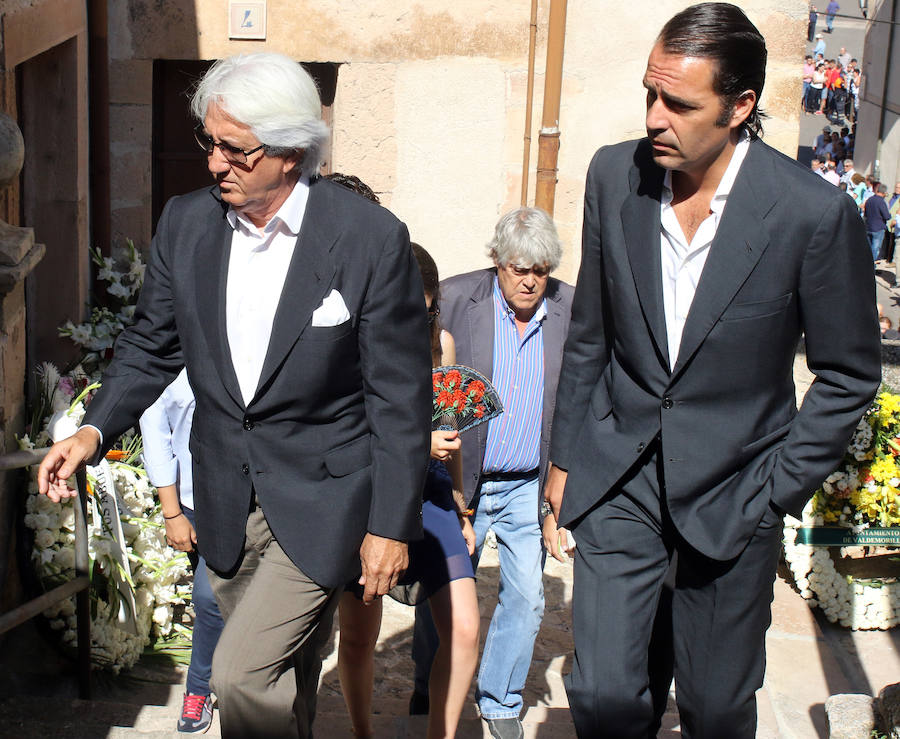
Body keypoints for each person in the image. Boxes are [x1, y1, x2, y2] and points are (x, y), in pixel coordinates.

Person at [37, 52, 432, 738]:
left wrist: (391, 525)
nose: (215, 163)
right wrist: (92, 431)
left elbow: (401, 396)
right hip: (222, 495)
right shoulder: (186, 225)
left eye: (235, 149)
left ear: (291, 151)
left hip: (324, 499)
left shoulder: (368, 238)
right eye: (209, 142)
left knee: (239, 677)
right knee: (287, 687)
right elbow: (149, 346)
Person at [543, 4, 880, 738]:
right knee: (602, 697)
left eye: (679, 103)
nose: (656, 117)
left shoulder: (809, 215)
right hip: (617, 479)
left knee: (716, 708)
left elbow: (850, 373)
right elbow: (590, 333)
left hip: (737, 490)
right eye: (649, 94)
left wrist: (777, 487)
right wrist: (564, 458)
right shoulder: (613, 175)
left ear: (740, 107)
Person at [411, 207, 573, 739]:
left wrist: (558, 492)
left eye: (540, 270)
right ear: (496, 262)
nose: (529, 280)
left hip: (527, 483)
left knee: (527, 597)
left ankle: (500, 701)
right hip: (466, 481)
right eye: (518, 267)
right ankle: (429, 685)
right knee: (442, 592)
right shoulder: (458, 300)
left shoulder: (570, 310)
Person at [331, 200, 479, 737]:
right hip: (370, 493)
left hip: (434, 494)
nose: (414, 321)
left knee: (464, 630)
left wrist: (461, 502)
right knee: (358, 636)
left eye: (426, 309)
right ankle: (362, 732)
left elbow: (453, 433)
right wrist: (419, 447)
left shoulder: (442, 344)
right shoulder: (351, 345)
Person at [140, 369, 224, 734]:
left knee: (208, 597)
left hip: (252, 497)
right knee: (217, 600)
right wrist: (172, 512)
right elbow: (156, 430)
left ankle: (200, 686)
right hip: (191, 501)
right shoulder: (166, 357)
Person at [864, 183, 892, 261]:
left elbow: (865, 214)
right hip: (878, 228)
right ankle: (872, 266)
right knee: (875, 249)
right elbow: (886, 216)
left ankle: (866, 264)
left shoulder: (869, 200)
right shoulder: (881, 202)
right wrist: (890, 215)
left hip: (868, 227)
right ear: (884, 192)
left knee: (868, 249)